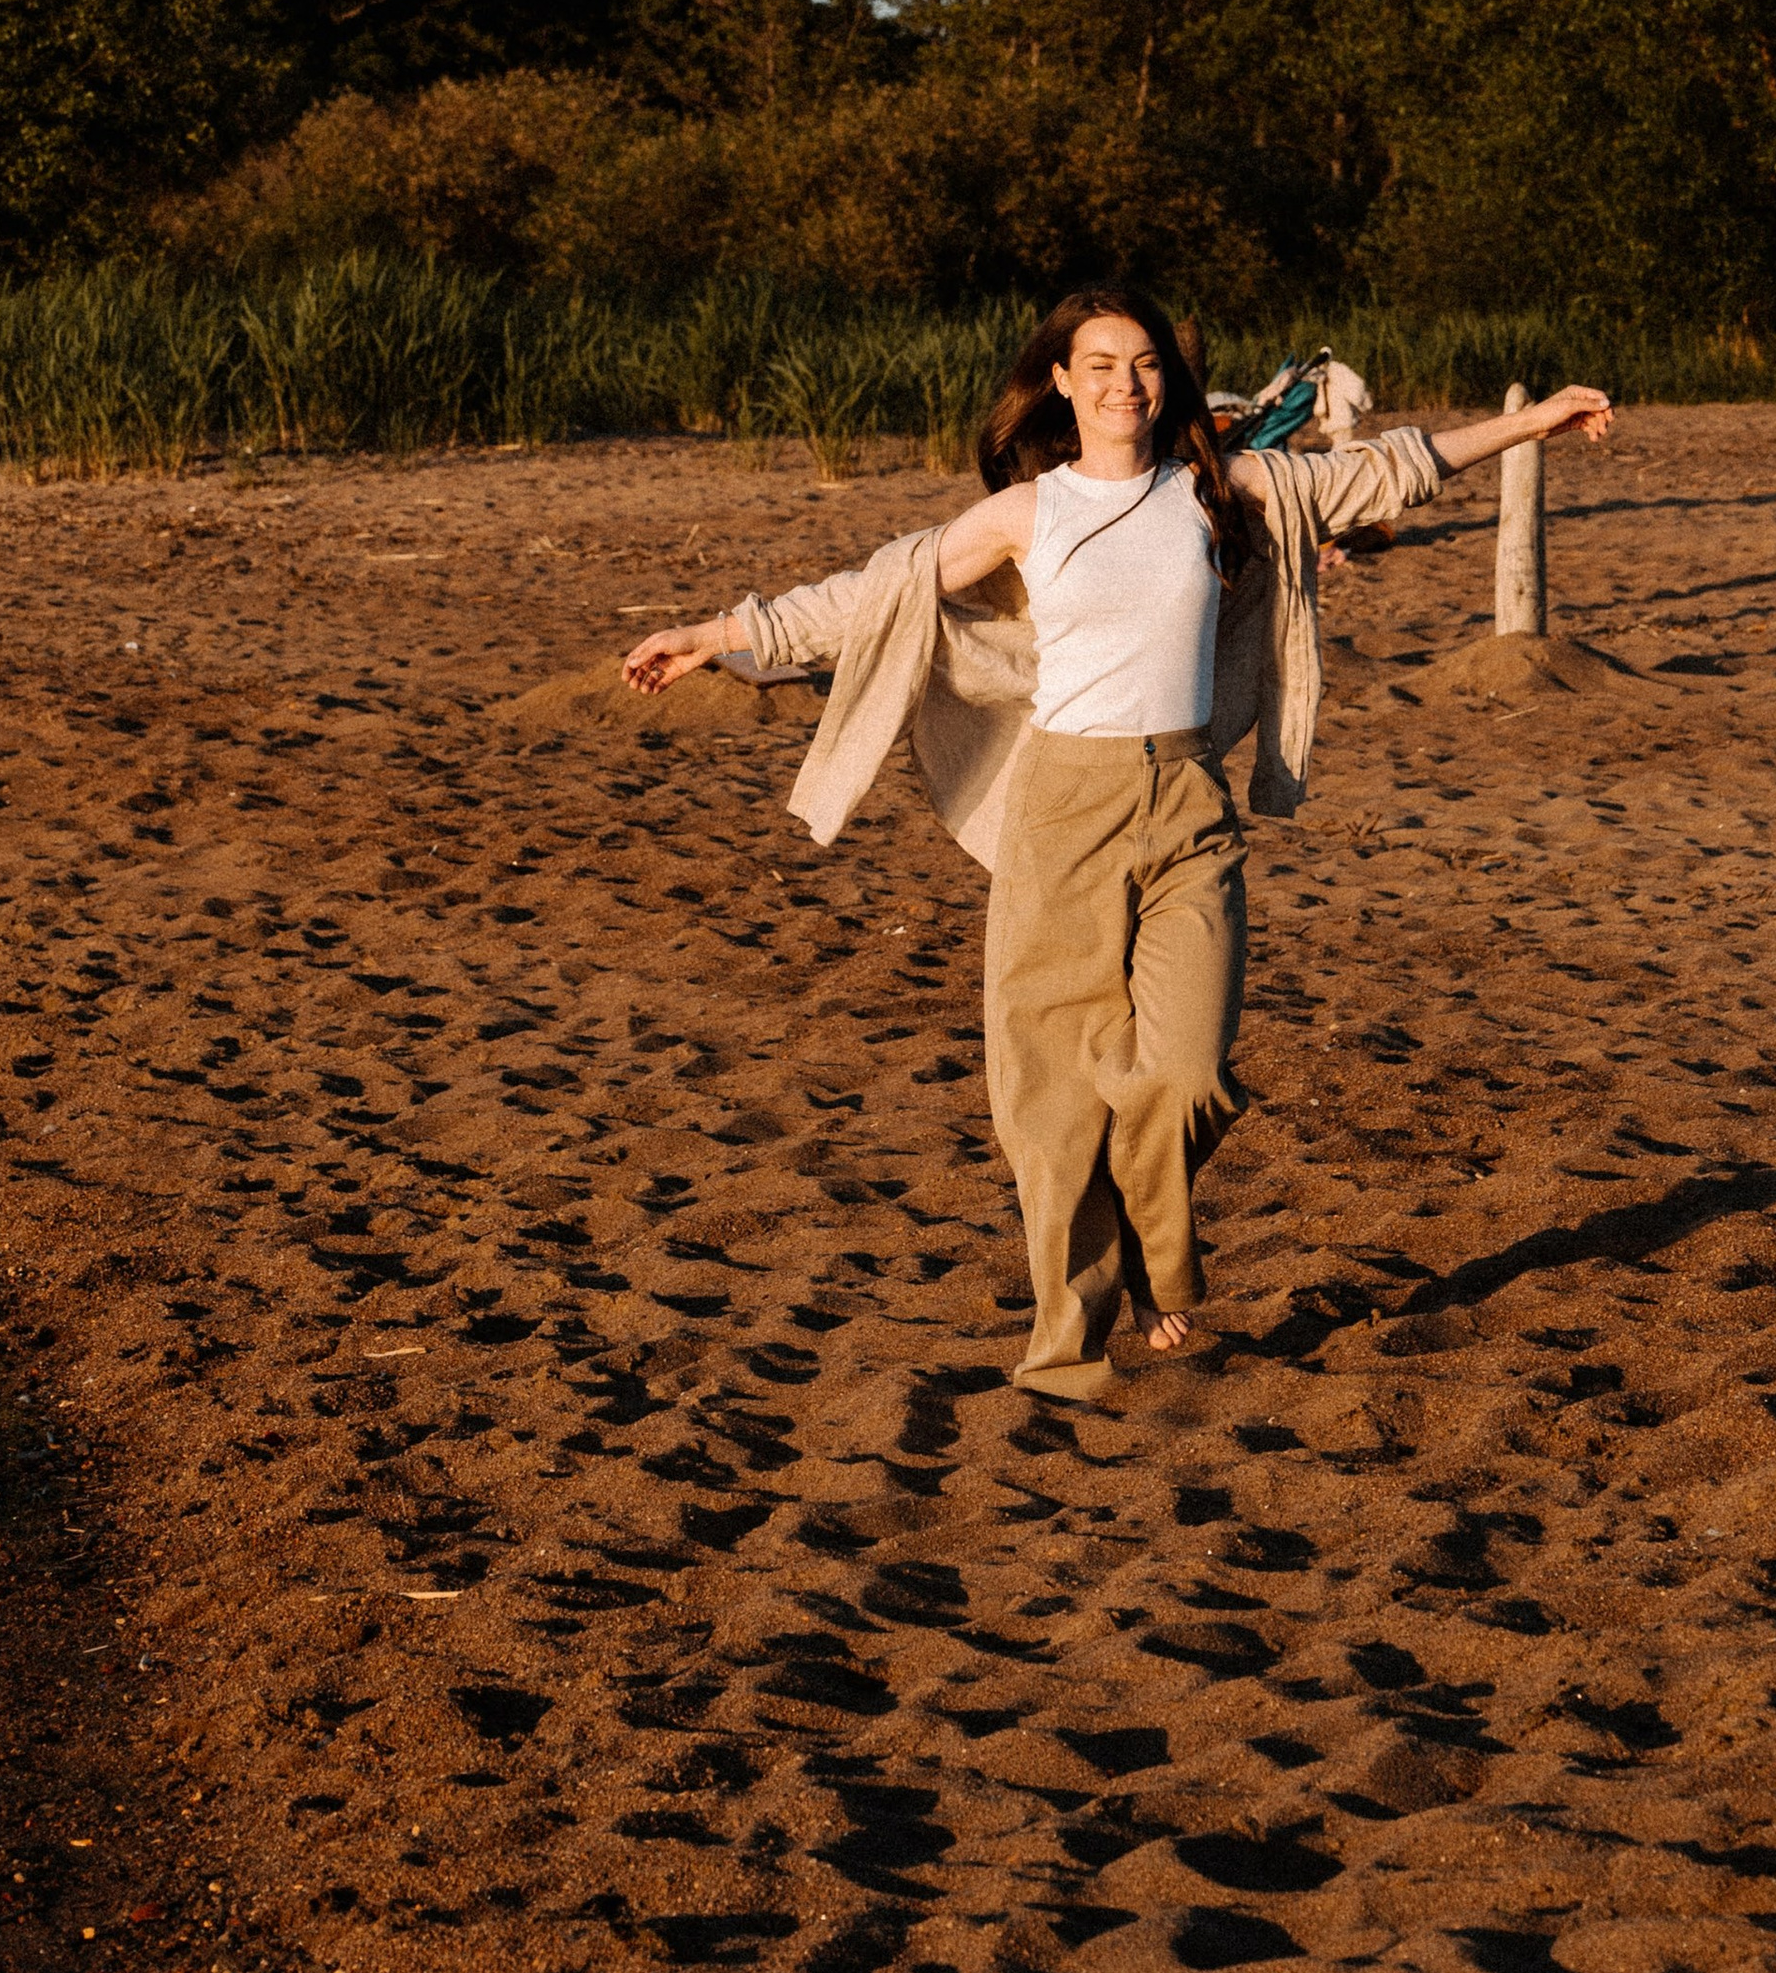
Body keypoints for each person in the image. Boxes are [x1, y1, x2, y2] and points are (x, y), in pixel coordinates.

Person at [624, 284, 1612, 1404]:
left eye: (1142, 363)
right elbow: (871, 595)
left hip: (1186, 800)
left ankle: (1155, 1248)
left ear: (1167, 379)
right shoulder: (1024, 515)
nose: (1122, 383)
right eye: (1097, 363)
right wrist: (722, 633)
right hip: (1059, 811)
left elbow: (1385, 469)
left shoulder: (1227, 489)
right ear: (1059, 379)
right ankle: (1066, 1350)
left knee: (1186, 1072)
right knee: (1052, 1104)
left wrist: (1527, 423)